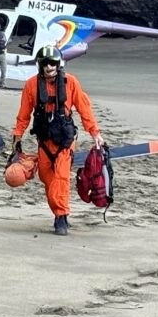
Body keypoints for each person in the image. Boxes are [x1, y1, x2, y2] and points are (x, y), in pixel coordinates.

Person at [12, 45, 105, 236]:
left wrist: (95, 133)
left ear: (58, 64)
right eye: (45, 63)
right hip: (45, 142)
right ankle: (58, 211)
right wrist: (17, 136)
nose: (49, 67)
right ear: (40, 65)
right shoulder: (31, 85)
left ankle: (61, 217)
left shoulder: (71, 83)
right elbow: (23, 114)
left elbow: (84, 108)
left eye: (52, 63)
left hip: (65, 140)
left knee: (61, 177)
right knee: (48, 178)